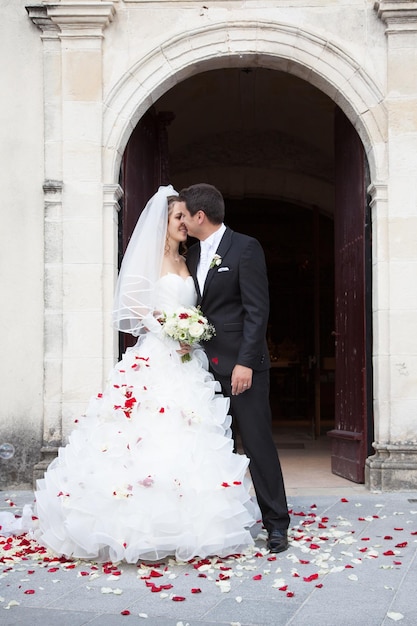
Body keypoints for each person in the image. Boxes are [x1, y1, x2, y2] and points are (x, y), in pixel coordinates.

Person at [33, 185, 257, 563]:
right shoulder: (148, 261)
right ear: (164, 222)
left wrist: (194, 333)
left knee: (188, 438)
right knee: (145, 436)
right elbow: (134, 311)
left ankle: (189, 527)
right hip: (155, 358)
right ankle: (132, 527)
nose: (184, 223)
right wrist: (172, 331)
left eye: (185, 217)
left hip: (188, 363)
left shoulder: (190, 262)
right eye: (178, 218)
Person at [177, 183, 290, 553]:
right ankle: (225, 524)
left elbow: (258, 311)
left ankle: (276, 524)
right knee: (215, 447)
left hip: (243, 367)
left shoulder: (245, 248)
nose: (180, 221)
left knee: (257, 444)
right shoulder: (190, 256)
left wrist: (246, 363)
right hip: (202, 367)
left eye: (183, 215)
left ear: (199, 216)